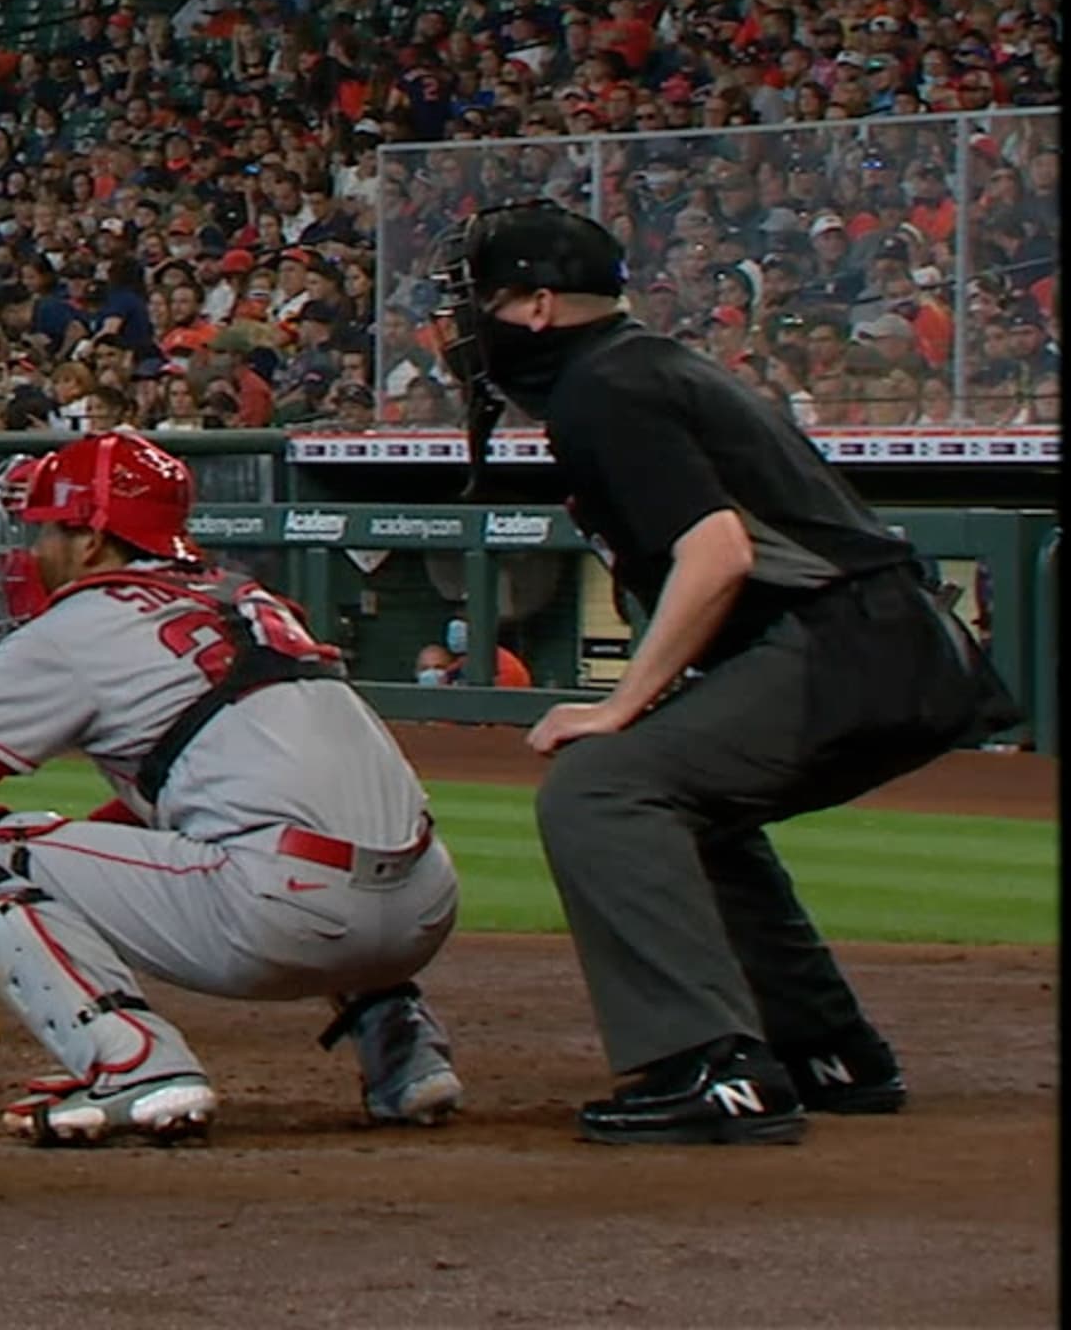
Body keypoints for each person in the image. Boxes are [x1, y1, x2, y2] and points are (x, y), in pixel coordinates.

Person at [435, 201, 1018, 1145]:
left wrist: (622, 704)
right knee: (684, 802)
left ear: (537, 308)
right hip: (888, 639)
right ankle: (827, 1047)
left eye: (483, 300)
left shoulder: (604, 388)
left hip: (854, 643)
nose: (467, 325)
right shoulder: (644, 364)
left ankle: (712, 1068)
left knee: (602, 789)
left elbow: (717, 554)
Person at [0, 432, 461, 1145]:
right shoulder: (253, 600)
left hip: (285, 919)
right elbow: (172, 808)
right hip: (423, 907)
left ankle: (135, 1067)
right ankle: (406, 1056)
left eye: (48, 529)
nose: (34, 550)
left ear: (94, 540)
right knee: (305, 830)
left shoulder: (70, 628)